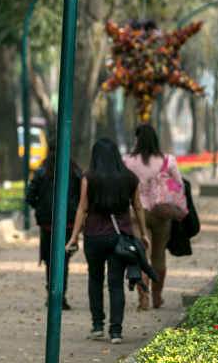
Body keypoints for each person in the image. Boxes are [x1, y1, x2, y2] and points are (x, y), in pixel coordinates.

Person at [65, 139, 150, 344]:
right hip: (120, 236)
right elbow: (138, 206)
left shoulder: (89, 177)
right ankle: (116, 331)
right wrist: (143, 233)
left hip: (94, 236)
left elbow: (83, 208)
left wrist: (74, 237)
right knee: (115, 284)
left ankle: (97, 326)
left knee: (95, 279)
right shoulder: (129, 178)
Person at [122, 123, 186, 309]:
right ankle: (158, 296)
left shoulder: (128, 161)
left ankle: (144, 298)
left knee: (141, 256)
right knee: (158, 256)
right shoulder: (168, 161)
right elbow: (179, 185)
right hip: (161, 213)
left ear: (137, 140)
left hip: (136, 213)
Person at [25, 150, 82, 309]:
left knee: (50, 260)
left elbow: (30, 195)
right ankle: (60, 295)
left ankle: (52, 294)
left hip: (47, 223)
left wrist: (41, 208)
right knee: (63, 260)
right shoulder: (74, 171)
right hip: (68, 223)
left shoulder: (42, 171)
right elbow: (82, 196)